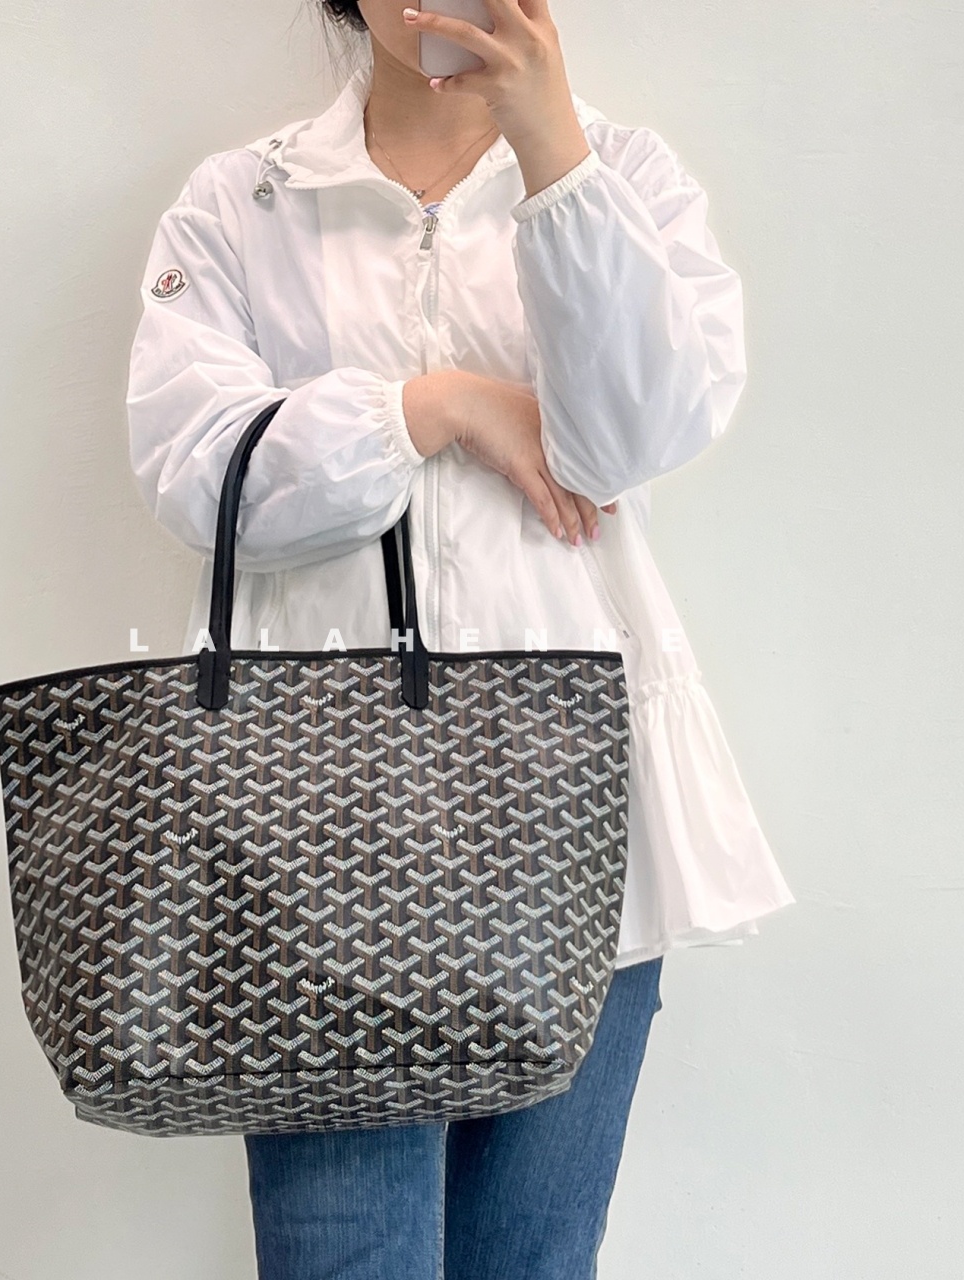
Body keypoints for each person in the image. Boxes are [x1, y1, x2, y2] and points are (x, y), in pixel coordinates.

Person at [125, 2, 796, 1275]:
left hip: (576, 814)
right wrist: (424, 408)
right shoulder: (242, 201)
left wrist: (551, 155)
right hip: (314, 830)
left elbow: (629, 438)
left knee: (532, 1264)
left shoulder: (624, 173)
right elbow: (197, 475)